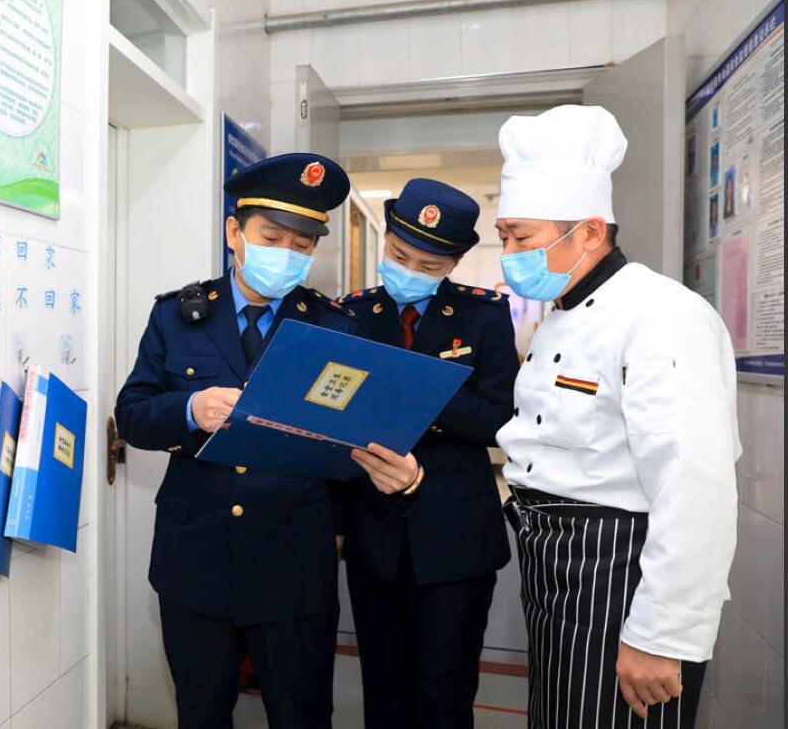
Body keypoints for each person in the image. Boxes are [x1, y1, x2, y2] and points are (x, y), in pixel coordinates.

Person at [115, 153, 421, 729]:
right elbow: (131, 416)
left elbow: (352, 444)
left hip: (293, 563)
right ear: (235, 232)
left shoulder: (334, 326)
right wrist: (189, 409)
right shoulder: (177, 316)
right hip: (196, 559)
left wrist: (382, 473)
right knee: (201, 713)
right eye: (272, 238)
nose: (287, 253)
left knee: (301, 714)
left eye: (301, 245)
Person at [494, 104, 740, 728]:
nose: (508, 253)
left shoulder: (659, 316)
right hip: (558, 568)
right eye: (504, 237)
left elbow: (695, 486)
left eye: (521, 237)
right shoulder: (563, 312)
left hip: (617, 575)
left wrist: (660, 634)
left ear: (589, 232)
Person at [337, 179, 518, 728]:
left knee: (446, 688)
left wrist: (419, 392)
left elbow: (500, 420)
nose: (410, 271)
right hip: (373, 530)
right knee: (383, 684)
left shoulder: (484, 316)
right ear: (386, 240)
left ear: (454, 264)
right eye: (399, 256)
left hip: (455, 534)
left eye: (429, 265)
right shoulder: (351, 315)